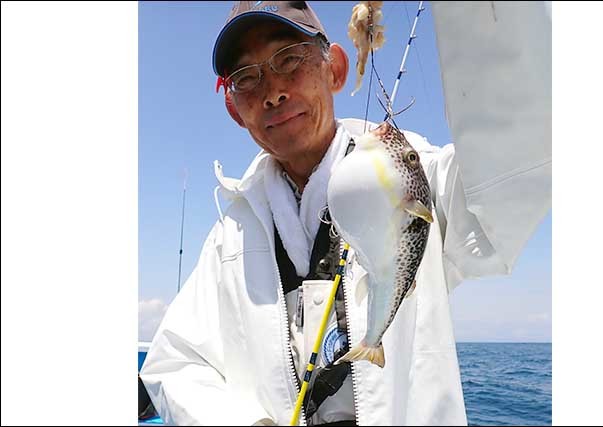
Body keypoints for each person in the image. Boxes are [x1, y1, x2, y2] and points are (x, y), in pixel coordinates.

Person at [140, 2, 551, 426]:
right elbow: (174, 361)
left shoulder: (417, 177)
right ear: (234, 109)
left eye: (290, 59)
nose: (273, 91)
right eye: (247, 78)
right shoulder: (231, 233)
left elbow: (519, 168)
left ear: (334, 69)